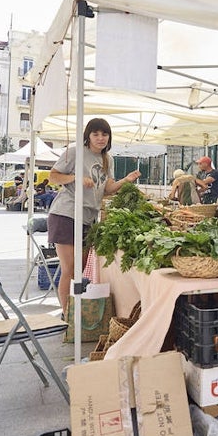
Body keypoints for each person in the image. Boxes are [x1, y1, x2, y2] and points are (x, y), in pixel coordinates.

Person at [48, 118, 141, 310]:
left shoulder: (108, 159)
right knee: (69, 269)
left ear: (109, 137)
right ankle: (68, 316)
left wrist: (126, 180)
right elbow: (53, 176)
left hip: (89, 219)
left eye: (104, 134)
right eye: (95, 134)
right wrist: (76, 178)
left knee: (79, 270)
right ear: (88, 136)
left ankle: (76, 312)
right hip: (66, 214)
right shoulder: (75, 152)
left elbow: (108, 188)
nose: (100, 138)